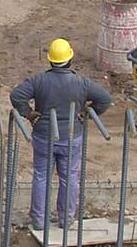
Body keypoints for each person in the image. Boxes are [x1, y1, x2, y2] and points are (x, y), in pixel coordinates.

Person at [10, 38, 112, 231]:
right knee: (70, 177)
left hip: (44, 136)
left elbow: (17, 95)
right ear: (70, 58)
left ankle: (39, 221)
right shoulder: (81, 83)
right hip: (71, 138)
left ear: (50, 60)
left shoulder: (39, 80)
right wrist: (85, 114)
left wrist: (29, 114)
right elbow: (105, 100)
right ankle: (66, 219)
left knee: (41, 176)